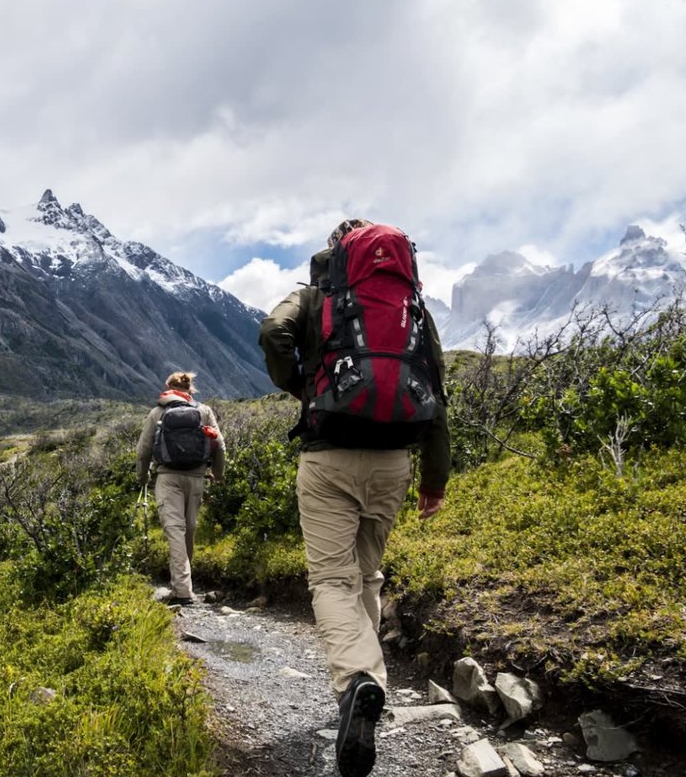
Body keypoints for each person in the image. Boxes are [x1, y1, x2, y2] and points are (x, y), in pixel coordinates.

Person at [258, 219, 450, 777]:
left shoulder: (317, 295)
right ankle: (370, 684)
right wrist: (434, 479)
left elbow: (273, 332)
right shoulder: (411, 307)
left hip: (329, 456)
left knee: (331, 580)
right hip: (394, 461)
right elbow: (435, 388)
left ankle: (358, 682)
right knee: (366, 575)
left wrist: (300, 383)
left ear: (337, 252)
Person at [136, 371, 226, 606]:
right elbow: (219, 445)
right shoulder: (203, 411)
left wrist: (143, 476)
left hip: (168, 478)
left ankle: (182, 591)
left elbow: (143, 450)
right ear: (190, 389)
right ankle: (184, 584)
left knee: (175, 530)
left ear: (168, 388)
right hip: (197, 478)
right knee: (189, 528)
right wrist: (217, 474)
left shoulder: (158, 412)